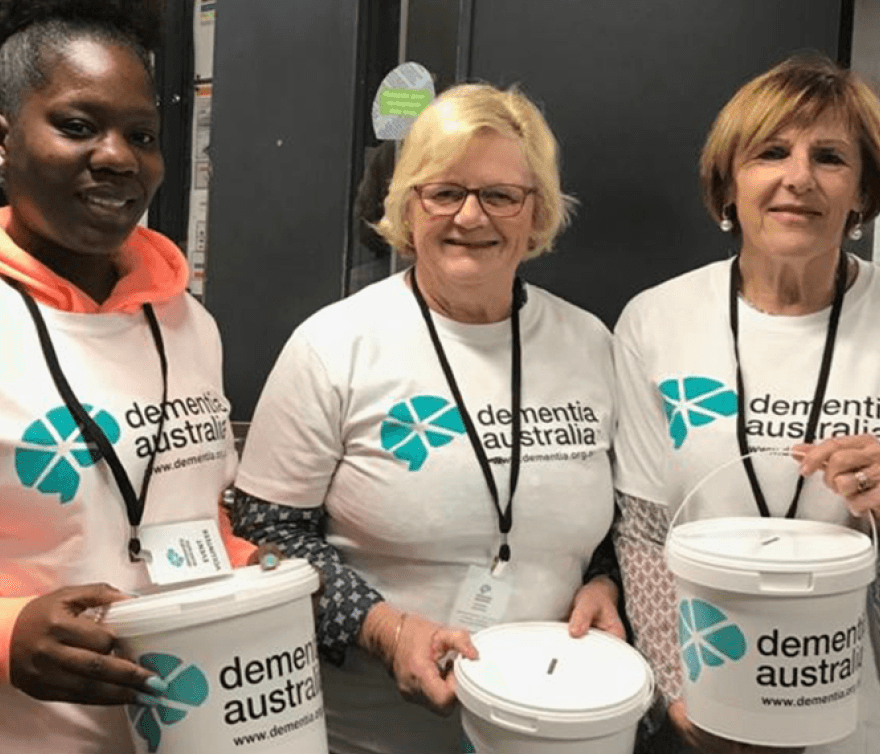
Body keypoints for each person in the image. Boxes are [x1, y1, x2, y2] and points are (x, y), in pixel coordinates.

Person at [0, 1, 247, 752]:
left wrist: (252, 572)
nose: (119, 157)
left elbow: (189, 514)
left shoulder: (188, 326)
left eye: (142, 135)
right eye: (77, 125)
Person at [612, 53, 880, 754]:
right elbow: (645, 531)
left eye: (829, 157)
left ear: (862, 192)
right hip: (720, 705)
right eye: (771, 152)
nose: (797, 177)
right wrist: (680, 692)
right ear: (728, 185)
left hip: (879, 718)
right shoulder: (655, 321)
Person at [232, 83, 624, 754]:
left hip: (548, 724)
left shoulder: (591, 344)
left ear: (536, 214)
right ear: (408, 207)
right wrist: (383, 628)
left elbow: (619, 512)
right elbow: (265, 533)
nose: (471, 217)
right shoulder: (335, 345)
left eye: (500, 195)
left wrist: (605, 580)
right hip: (368, 733)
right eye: (444, 192)